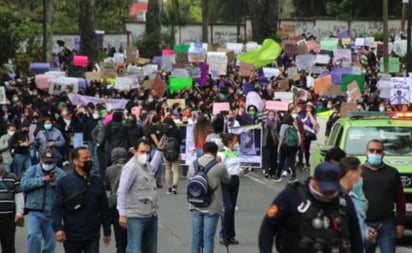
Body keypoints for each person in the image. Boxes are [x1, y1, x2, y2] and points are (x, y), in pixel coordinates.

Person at [258, 162, 363, 253]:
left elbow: (356, 236)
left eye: (332, 189)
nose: (327, 193)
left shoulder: (343, 202)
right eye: (324, 188)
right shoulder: (292, 196)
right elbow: (268, 226)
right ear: (313, 180)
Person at [52, 146, 111, 253]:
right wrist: (58, 229)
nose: (89, 160)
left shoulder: (96, 181)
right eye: (85, 158)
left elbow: (104, 208)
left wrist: (107, 231)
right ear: (76, 161)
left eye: (90, 157)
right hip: (72, 235)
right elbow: (57, 207)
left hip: (92, 234)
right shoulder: (64, 182)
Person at [116, 137, 166, 253]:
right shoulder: (131, 167)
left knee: (150, 250)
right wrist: (122, 213)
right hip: (136, 216)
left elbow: (153, 168)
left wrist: (159, 151)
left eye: (148, 152)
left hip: (151, 215)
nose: (145, 155)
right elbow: (122, 190)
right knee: (135, 249)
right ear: (134, 151)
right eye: (142, 152)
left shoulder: (145, 164)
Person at [362, 139, 406, 253]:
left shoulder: (392, 172)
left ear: (383, 154)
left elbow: (400, 199)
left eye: (378, 151)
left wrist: (400, 223)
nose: (375, 153)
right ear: (366, 152)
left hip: (386, 224)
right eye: (372, 150)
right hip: (364, 224)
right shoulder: (358, 173)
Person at [188, 142, 231, 253]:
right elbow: (227, 179)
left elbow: (189, 179)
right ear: (216, 152)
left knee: (196, 237)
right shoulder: (219, 166)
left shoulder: (193, 164)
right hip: (212, 205)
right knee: (208, 239)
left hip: (195, 203)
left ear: (203, 150)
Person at [21, 148, 65, 253]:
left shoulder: (60, 173)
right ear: (40, 160)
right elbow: (24, 184)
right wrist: (42, 180)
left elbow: (64, 190)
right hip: (35, 210)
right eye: (46, 161)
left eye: (50, 162)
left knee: (50, 242)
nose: (47, 164)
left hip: (52, 212)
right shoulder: (33, 170)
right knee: (33, 235)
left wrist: (53, 182)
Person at [339, 157, 377, 251]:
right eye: (359, 175)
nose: (360, 179)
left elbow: (359, 226)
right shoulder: (334, 197)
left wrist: (367, 233)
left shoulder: (355, 199)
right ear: (350, 174)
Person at [218, 134, 241, 246]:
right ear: (229, 142)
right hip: (225, 180)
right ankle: (223, 235)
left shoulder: (235, 152)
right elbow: (219, 167)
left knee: (232, 210)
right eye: (235, 141)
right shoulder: (222, 153)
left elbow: (237, 166)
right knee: (228, 208)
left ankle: (230, 235)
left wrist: (242, 170)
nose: (237, 143)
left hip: (235, 180)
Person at [105, 147, 129, 253]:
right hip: (132, 205)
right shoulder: (131, 167)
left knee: (120, 241)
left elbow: (106, 186)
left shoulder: (109, 170)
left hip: (117, 206)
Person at [0, 163, 24, 253]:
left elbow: (19, 196)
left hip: (9, 219)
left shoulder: (12, 177)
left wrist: (19, 213)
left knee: (9, 247)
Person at [274, 113, 301, 182]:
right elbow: (298, 132)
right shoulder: (293, 125)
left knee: (282, 161)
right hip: (294, 145)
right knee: (291, 161)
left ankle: (277, 176)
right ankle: (294, 176)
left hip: (285, 145)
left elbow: (282, 137)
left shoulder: (284, 126)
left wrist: (279, 147)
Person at [162, 117, 182, 194]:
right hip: (176, 151)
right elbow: (180, 140)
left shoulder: (164, 131)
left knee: (167, 169)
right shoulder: (177, 130)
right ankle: (174, 187)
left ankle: (168, 188)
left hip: (166, 151)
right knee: (176, 170)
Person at [261, 111, 279, 178]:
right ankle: (266, 171)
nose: (271, 116)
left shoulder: (276, 122)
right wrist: (267, 121)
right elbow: (265, 127)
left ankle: (273, 172)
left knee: (273, 158)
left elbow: (274, 128)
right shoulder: (264, 122)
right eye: (270, 115)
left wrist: (275, 121)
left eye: (272, 115)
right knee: (266, 157)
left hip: (274, 142)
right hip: (266, 142)